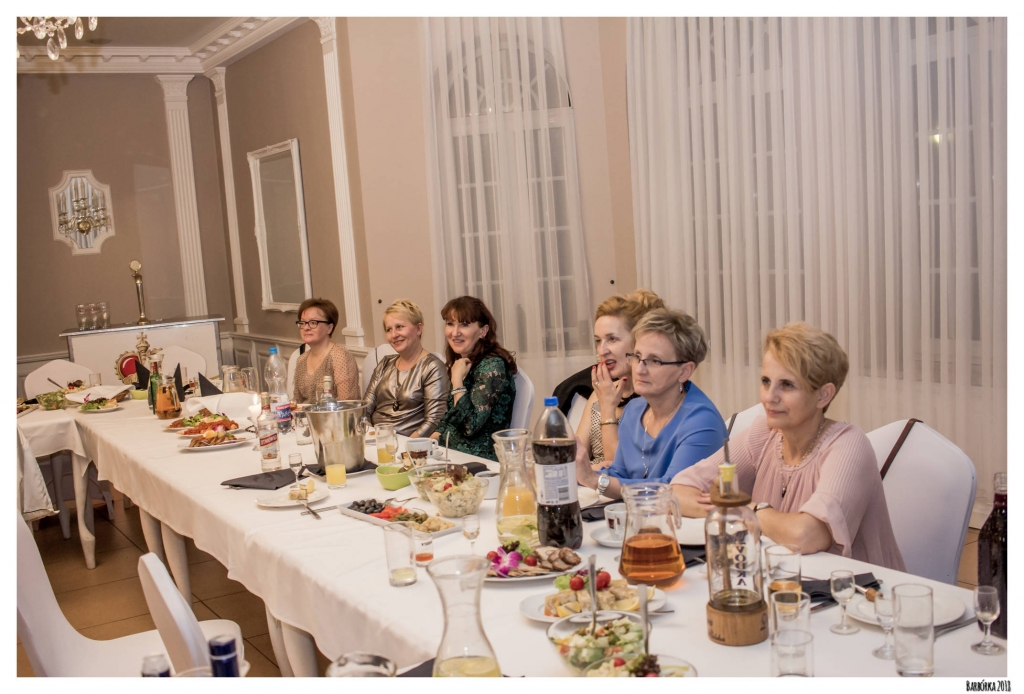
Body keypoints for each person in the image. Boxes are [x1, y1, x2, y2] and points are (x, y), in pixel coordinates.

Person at [671, 322, 906, 569]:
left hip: (857, 588)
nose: (769, 397)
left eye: (787, 385)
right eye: (766, 381)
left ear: (823, 395)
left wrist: (747, 510)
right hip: (784, 579)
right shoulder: (763, 434)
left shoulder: (849, 444)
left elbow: (806, 535)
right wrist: (738, 511)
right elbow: (678, 492)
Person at [575, 308, 726, 499]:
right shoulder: (634, 409)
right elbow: (620, 474)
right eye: (637, 356)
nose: (639, 369)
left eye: (655, 361)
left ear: (684, 371)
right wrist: (580, 470)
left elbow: (672, 491)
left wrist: (594, 479)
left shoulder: (702, 421)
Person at [575, 289, 665, 470]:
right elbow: (575, 455)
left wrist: (607, 408)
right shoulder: (603, 390)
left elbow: (623, 470)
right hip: (589, 483)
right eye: (598, 341)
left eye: (612, 339)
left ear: (638, 342)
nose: (602, 351)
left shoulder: (652, 398)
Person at [431, 296, 516, 461]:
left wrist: (457, 381)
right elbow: (453, 416)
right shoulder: (464, 362)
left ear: (483, 331)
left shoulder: (492, 366)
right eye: (450, 324)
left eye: (464, 324)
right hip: (452, 454)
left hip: (480, 462)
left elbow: (469, 426)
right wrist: (430, 441)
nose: (454, 333)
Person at [362, 300, 449, 437]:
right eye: (389, 329)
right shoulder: (384, 364)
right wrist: (369, 435)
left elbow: (434, 420)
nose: (394, 335)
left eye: (399, 327)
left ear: (419, 329)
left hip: (412, 444)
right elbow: (365, 409)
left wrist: (406, 445)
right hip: (377, 441)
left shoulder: (432, 366)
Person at [291, 298, 359, 404]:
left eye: (313, 322)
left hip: (336, 414)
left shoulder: (340, 356)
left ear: (329, 328)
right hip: (306, 415)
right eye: (303, 322)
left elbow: (347, 403)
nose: (306, 328)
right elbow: (297, 402)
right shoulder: (301, 359)